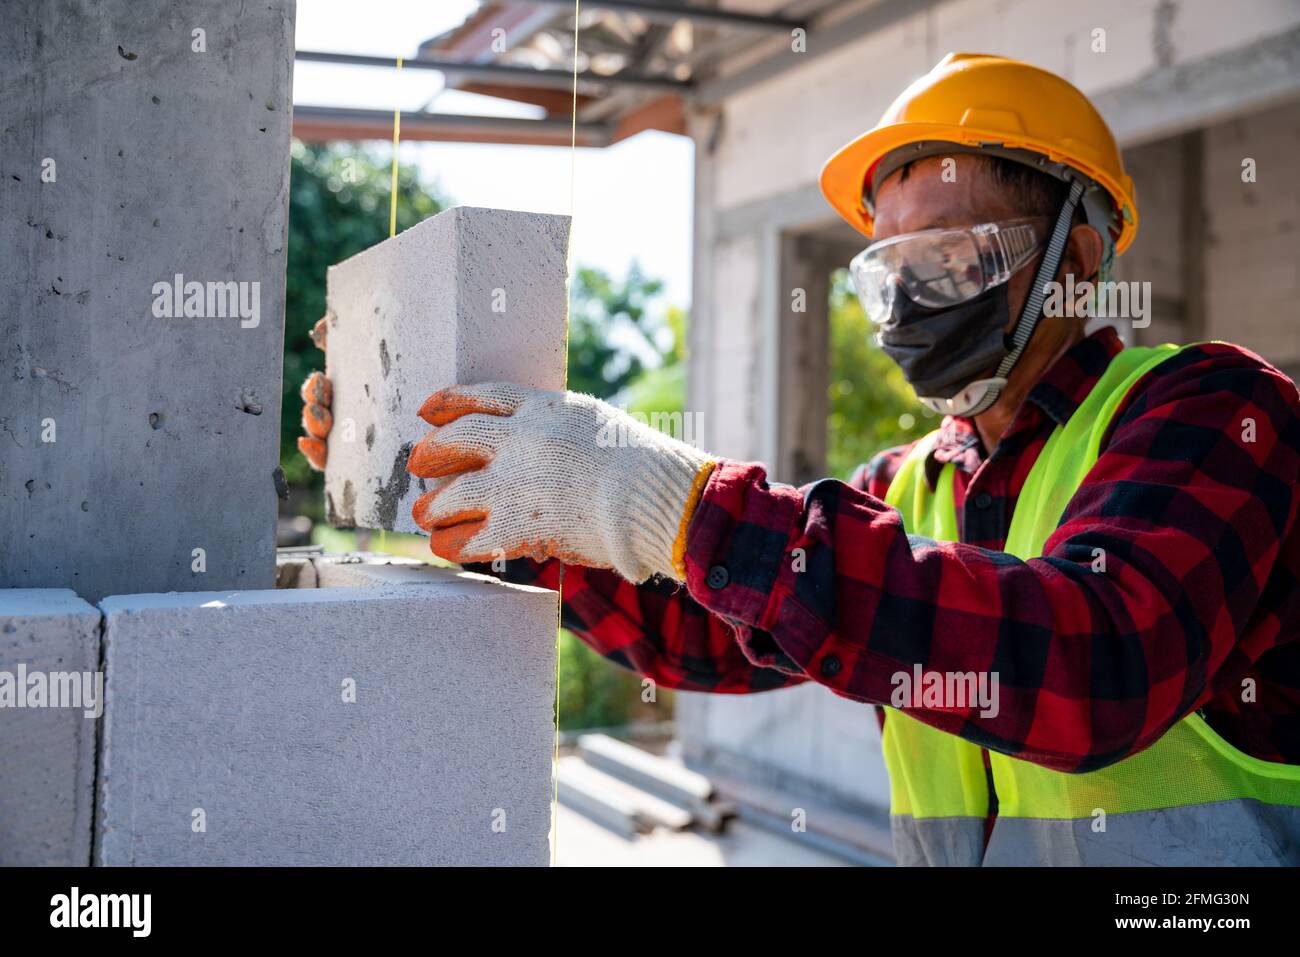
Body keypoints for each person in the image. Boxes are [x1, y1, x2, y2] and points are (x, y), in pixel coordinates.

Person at [300, 53, 1300, 866]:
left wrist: (681, 507)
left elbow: (1098, 661)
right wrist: (509, 508)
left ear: (1077, 262)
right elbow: (703, 632)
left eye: (945, 258)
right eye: (887, 270)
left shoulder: (1215, 408)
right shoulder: (914, 484)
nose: (909, 302)